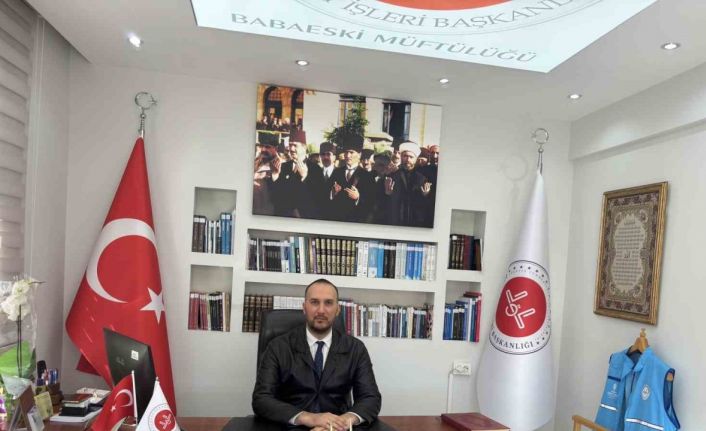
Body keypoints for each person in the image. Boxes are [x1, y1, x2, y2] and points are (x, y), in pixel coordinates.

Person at [252, 279, 381, 431]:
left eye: (328, 303)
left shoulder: (355, 349)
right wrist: (310, 418)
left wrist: (342, 422)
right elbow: (261, 399)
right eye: (314, 302)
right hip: (290, 427)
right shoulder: (278, 347)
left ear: (337, 310)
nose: (321, 310)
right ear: (304, 307)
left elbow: (370, 398)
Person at [381, 141, 433, 227]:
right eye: (405, 156)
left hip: (415, 222)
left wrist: (425, 195)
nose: (408, 159)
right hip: (395, 221)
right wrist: (387, 194)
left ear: (415, 159)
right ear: (401, 157)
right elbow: (382, 202)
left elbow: (426, 205)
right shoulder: (392, 176)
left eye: (411, 157)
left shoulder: (422, 178)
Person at [329, 133, 375, 222]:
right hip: (337, 220)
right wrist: (332, 192)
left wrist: (358, 197)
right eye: (346, 152)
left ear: (359, 154)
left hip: (356, 220)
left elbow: (371, 201)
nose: (348, 155)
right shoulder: (336, 172)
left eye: (351, 152)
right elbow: (326, 195)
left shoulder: (367, 176)